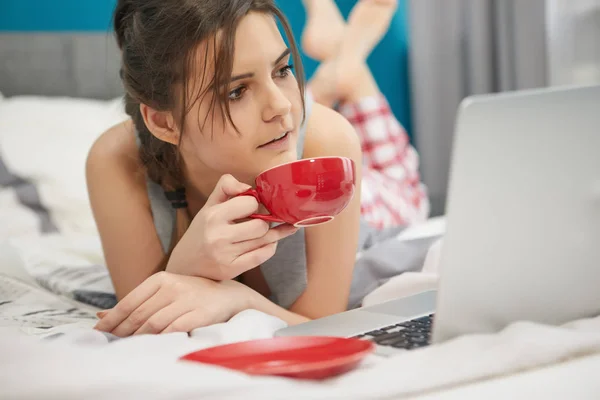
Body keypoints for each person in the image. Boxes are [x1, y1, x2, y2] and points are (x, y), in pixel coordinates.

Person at [87, 0, 428, 338]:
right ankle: (335, 62)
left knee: (355, 108)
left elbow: (323, 324)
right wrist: (185, 266)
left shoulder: (330, 142)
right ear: (164, 122)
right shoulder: (117, 162)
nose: (280, 105)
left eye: (283, 70)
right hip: (283, 139)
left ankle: (344, 61)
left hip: (377, 196)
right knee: (305, 105)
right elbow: (144, 319)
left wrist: (235, 298)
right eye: (236, 92)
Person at [301, 0, 429, 229]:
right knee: (404, 192)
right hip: (387, 204)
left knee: (400, 187)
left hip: (379, 192)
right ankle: (344, 57)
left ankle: (342, 57)